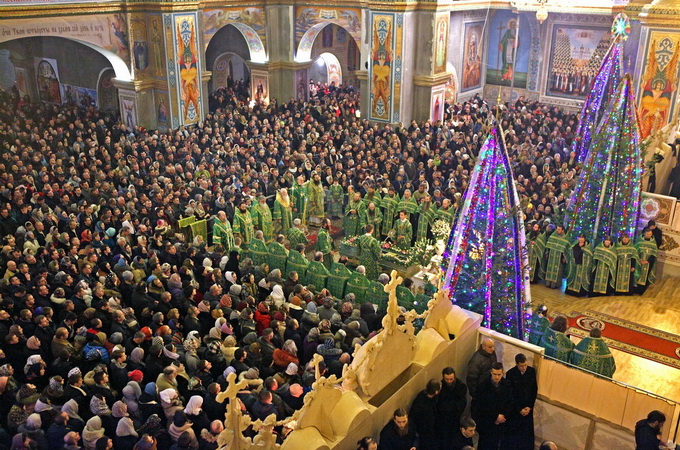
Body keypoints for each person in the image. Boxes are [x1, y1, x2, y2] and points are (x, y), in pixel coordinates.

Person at [472, 362, 510, 450]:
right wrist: (495, 416)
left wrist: (503, 416)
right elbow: (480, 406)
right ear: (491, 372)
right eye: (494, 374)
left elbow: (510, 402)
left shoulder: (507, 385)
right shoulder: (483, 386)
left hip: (501, 423)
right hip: (487, 423)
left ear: (502, 373)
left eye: (499, 374)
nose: (497, 377)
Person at [505, 353, 538, 450]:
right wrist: (519, 409)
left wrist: (529, 407)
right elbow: (510, 394)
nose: (524, 368)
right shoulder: (510, 374)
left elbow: (534, 390)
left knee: (526, 437)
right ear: (517, 364)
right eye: (521, 366)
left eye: (525, 365)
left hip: (527, 409)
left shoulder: (531, 371)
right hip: (515, 411)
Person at [436, 367, 468, 446]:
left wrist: (451, 407)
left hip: (455, 419)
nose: (449, 381)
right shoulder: (440, 387)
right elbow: (439, 404)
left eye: (451, 379)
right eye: (447, 379)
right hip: (443, 420)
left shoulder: (461, 386)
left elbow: (462, 403)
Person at [409, 379, 441, 450]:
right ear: (436, 392)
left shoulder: (423, 395)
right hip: (424, 432)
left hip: (430, 429)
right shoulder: (422, 403)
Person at [635, 227, 658, 295]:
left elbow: (654, 254)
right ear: (644, 234)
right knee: (638, 275)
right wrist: (639, 260)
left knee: (645, 276)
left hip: (648, 263)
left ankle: (642, 290)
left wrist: (647, 261)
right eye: (647, 234)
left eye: (650, 234)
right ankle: (636, 289)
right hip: (639, 262)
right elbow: (635, 251)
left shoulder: (653, 242)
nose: (649, 235)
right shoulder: (640, 240)